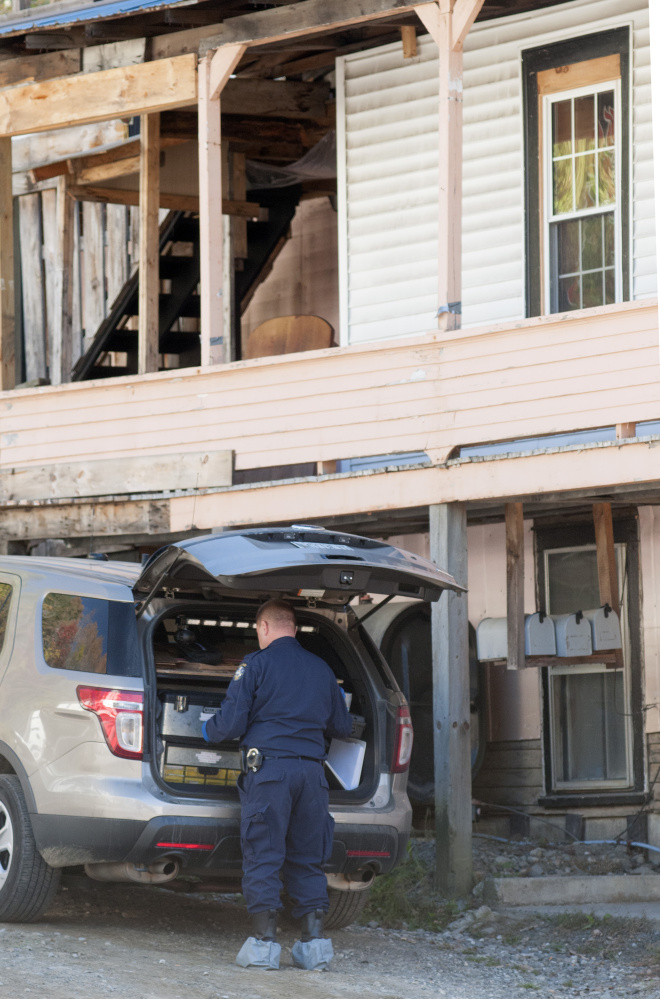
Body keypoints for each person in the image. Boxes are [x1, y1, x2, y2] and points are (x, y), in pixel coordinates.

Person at [202, 598, 353, 971]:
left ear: (263, 628)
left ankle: (264, 946)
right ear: (294, 628)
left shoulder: (256, 664)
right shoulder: (322, 670)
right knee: (308, 856)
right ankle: (314, 946)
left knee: (264, 852)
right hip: (313, 776)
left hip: (270, 773)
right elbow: (344, 727)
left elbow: (232, 724)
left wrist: (206, 729)